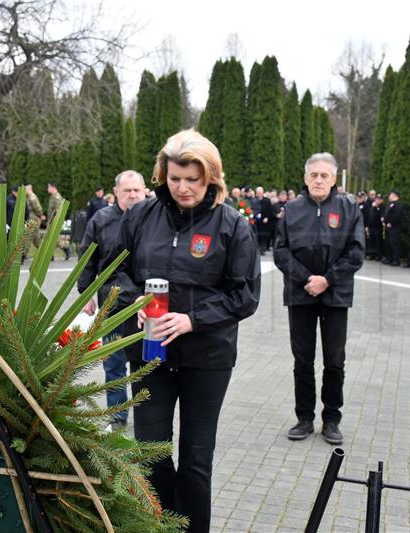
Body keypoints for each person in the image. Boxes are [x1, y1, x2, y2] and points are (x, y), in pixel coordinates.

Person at [109, 129, 260, 532]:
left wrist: (193, 319)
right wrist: (134, 301)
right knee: (150, 453)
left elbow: (245, 295)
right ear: (163, 175)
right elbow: (114, 269)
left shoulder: (232, 225)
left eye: (192, 179)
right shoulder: (140, 215)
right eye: (175, 178)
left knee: (196, 461)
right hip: (151, 355)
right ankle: (159, 526)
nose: (182, 188)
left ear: (211, 176)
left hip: (207, 358)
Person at [274, 153, 364, 444]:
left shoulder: (349, 209)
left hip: (336, 296)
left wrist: (328, 279)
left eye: (324, 175)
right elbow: (280, 251)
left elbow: (356, 252)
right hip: (300, 296)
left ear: (334, 178)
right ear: (305, 178)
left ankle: (332, 419)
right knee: (303, 361)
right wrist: (305, 280)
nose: (318, 180)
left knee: (334, 361)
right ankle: (304, 418)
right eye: (313, 175)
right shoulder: (292, 209)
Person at [78, 170, 147, 431]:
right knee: (115, 362)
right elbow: (87, 258)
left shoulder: (153, 218)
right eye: (127, 190)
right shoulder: (101, 220)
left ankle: (147, 412)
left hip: (145, 305)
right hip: (113, 304)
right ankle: (117, 416)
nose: (132, 195)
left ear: (144, 191)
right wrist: (85, 293)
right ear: (116, 192)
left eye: (136, 190)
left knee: (145, 363)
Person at [46, 181, 71, 260]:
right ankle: (51, 256)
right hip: (51, 221)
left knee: (53, 239)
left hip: (54, 221)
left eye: (49, 187)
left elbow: (58, 211)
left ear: (53, 187)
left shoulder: (57, 197)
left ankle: (67, 249)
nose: (47, 189)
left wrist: (54, 222)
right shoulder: (53, 196)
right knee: (50, 239)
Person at [381, 190, 404, 266]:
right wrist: (384, 220)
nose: (389, 196)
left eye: (390, 195)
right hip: (387, 227)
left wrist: (391, 222)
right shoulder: (389, 204)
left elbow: (397, 215)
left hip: (394, 227)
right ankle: (389, 258)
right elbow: (386, 213)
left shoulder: (399, 205)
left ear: (395, 196)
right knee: (388, 243)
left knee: (394, 243)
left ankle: (396, 260)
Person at [24, 183, 45, 248]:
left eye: (25, 189)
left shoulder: (32, 197)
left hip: (33, 218)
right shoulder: (28, 196)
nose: (24, 190)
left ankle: (24, 254)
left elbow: (37, 208)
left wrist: (41, 215)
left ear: (29, 189)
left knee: (32, 236)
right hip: (31, 218)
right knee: (34, 237)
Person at [365, 194, 384, 260]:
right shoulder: (372, 206)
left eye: (379, 199)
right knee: (371, 241)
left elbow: (381, 215)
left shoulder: (381, 207)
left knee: (378, 242)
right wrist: (367, 225)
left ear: (382, 200)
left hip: (378, 227)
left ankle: (378, 255)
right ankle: (371, 254)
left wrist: (377, 207)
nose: (377, 200)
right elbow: (369, 216)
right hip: (371, 227)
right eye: (376, 199)